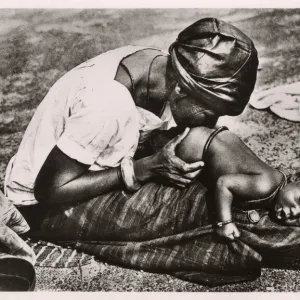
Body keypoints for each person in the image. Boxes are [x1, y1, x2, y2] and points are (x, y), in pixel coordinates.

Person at [4, 17, 300, 287]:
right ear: (182, 91)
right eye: (211, 112)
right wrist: (144, 169)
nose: (213, 123)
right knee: (209, 215)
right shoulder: (107, 104)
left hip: (95, 168)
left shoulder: (157, 66)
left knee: (218, 174)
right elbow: (49, 190)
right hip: (44, 206)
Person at [175, 125, 300, 240]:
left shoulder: (279, 178)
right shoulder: (265, 187)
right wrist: (225, 222)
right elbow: (224, 183)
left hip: (213, 136)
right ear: (295, 179)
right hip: (197, 147)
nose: (296, 212)